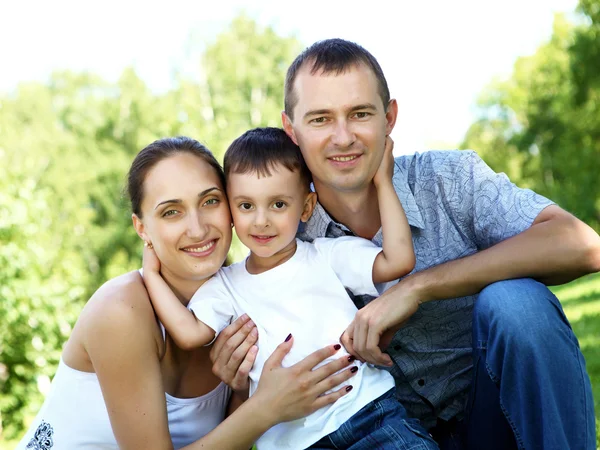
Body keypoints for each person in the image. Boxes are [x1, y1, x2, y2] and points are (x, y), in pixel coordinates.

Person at [211, 39, 600, 449]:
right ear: (292, 130)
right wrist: (239, 383)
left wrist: (418, 287)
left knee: (517, 303)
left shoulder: (446, 179)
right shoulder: (282, 244)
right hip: (390, 436)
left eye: (359, 114)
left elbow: (580, 245)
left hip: (498, 416)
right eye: (321, 119)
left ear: (389, 117)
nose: (343, 137)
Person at [16, 136, 360, 450]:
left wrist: (242, 392)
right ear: (142, 229)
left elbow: (231, 439)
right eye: (171, 212)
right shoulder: (121, 310)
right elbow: (258, 416)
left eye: (210, 201)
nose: (197, 228)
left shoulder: (236, 303)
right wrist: (265, 408)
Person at [143, 127, 438, 450]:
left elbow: (398, 261)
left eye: (279, 204)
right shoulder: (225, 286)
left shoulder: (325, 254)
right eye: (245, 206)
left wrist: (383, 182)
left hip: (368, 415)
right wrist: (151, 276)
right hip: (295, 443)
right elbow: (189, 334)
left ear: (307, 206)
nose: (261, 221)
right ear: (229, 209)